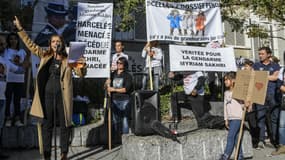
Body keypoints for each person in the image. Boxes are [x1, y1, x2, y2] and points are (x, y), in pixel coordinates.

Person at [14, 16, 87, 160]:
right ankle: (47, 155)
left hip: (63, 98)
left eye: (58, 41)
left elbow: (80, 74)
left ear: (62, 43)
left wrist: (82, 65)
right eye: (53, 41)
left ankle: (64, 153)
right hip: (47, 97)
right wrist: (20, 29)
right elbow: (30, 44)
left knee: (65, 126)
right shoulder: (45, 55)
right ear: (50, 44)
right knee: (47, 126)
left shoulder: (68, 59)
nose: (56, 43)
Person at [252, 46, 280, 149]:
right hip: (259, 94)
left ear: (268, 54)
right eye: (259, 54)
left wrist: (262, 76)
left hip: (272, 95)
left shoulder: (275, 65)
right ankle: (261, 140)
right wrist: (268, 76)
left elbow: (276, 77)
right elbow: (254, 77)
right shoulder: (256, 65)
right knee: (260, 118)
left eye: (262, 54)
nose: (260, 56)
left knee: (274, 118)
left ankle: (275, 140)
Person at [220, 72, 251, 160]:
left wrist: (246, 104)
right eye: (224, 80)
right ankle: (240, 156)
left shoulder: (239, 92)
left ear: (233, 80)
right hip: (230, 119)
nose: (225, 81)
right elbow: (225, 107)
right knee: (237, 138)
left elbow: (244, 105)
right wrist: (226, 119)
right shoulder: (226, 93)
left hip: (237, 118)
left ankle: (225, 156)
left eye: (227, 79)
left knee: (230, 137)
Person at [105, 57, 133, 143]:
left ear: (124, 65)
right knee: (115, 120)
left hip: (124, 100)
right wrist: (106, 83)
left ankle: (125, 141)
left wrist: (113, 89)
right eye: (117, 63)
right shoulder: (112, 74)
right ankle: (117, 139)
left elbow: (126, 89)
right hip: (114, 100)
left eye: (120, 63)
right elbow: (106, 87)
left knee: (124, 120)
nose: (118, 64)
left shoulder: (128, 75)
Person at [4, 32, 27, 126]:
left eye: (15, 39)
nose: (13, 41)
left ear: (18, 40)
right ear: (8, 41)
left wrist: (21, 65)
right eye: (11, 39)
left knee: (17, 100)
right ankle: (8, 118)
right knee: (8, 99)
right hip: (9, 79)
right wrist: (19, 66)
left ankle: (17, 119)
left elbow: (26, 64)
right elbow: (6, 64)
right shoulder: (6, 51)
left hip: (19, 80)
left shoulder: (22, 52)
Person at [272, 55, 285, 155]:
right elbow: (279, 84)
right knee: (281, 125)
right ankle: (282, 146)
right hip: (284, 102)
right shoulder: (283, 70)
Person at [0, 36, 9, 159]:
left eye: (2, 44)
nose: (1, 46)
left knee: (0, 127)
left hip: (2, 98)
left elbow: (20, 69)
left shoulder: (6, 61)